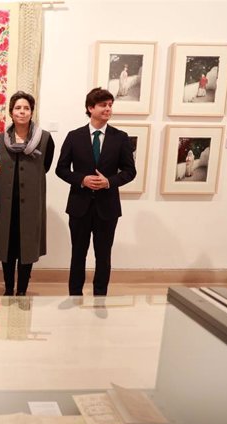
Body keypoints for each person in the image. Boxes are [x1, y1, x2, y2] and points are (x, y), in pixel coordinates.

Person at [56, 87, 136, 296]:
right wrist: (81, 179)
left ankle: (100, 296)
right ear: (90, 108)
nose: (108, 109)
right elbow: (61, 169)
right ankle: (75, 294)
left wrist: (109, 182)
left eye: (110, 105)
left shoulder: (120, 137)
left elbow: (130, 171)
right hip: (79, 206)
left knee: (103, 255)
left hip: (107, 208)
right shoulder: (74, 136)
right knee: (78, 254)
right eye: (103, 105)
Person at [0, 91, 55, 296]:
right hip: (6, 205)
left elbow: (45, 166)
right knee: (7, 249)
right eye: (18, 108)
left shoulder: (44, 139)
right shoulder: (0, 140)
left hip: (31, 205)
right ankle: (8, 289)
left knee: (26, 249)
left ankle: (22, 291)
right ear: (11, 112)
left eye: (26, 108)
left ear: (32, 112)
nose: (22, 111)